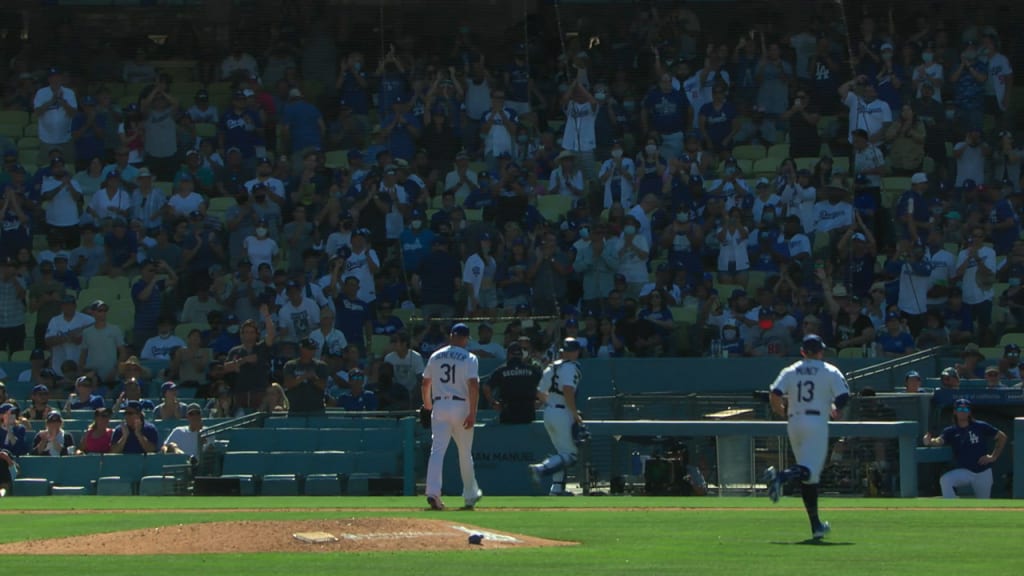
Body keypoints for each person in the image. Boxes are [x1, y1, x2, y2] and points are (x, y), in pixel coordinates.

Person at [763, 334, 850, 541]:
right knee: (810, 470)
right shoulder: (828, 369)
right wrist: (836, 408)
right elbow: (844, 396)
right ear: (820, 351)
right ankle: (780, 477)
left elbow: (774, 393)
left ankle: (816, 526)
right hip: (816, 422)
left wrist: (781, 410)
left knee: (808, 477)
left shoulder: (791, 370)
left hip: (794, 422)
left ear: (803, 351)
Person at [421, 322, 483, 511]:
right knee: (465, 453)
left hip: (439, 404)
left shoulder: (436, 355)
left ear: (451, 336)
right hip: (461, 404)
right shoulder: (469, 357)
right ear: (465, 338)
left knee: (437, 450)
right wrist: (473, 412)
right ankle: (470, 496)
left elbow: (425, 383)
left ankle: (433, 492)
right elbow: (473, 386)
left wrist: (427, 405)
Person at [529, 337, 584, 496]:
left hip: (550, 411)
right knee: (571, 455)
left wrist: (552, 403)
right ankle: (541, 468)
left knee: (561, 451)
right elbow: (568, 390)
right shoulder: (571, 367)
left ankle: (557, 488)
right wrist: (574, 413)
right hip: (562, 411)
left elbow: (539, 393)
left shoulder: (551, 367)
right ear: (576, 352)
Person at [923, 398, 1007, 498]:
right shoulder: (951, 431)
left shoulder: (980, 426)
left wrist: (993, 456)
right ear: (955, 411)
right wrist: (929, 441)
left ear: (969, 412)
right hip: (965, 471)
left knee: (984, 504)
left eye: (966, 410)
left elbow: (1002, 437)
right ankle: (953, 507)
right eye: (960, 409)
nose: (962, 412)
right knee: (945, 480)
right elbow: (938, 441)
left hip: (983, 472)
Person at [483, 342, 541, 424]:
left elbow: (486, 387)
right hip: (528, 412)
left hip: (508, 411)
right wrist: (540, 401)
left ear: (508, 355)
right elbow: (545, 384)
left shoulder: (501, 370)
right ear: (521, 355)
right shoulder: (532, 370)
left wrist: (493, 403)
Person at [283, 337, 328, 416]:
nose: (312, 352)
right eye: (309, 349)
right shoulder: (291, 365)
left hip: (316, 409)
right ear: (301, 349)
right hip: (295, 409)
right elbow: (288, 384)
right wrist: (304, 377)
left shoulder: (321, 366)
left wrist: (314, 378)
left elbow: (323, 385)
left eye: (313, 349)